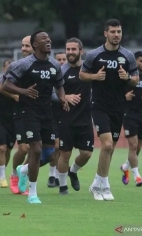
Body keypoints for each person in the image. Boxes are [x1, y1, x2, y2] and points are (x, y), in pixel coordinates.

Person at [3, 29, 69, 204]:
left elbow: (59, 85)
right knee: (36, 149)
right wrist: (24, 91)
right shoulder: (23, 64)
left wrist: (62, 98)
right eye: (43, 39)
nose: (48, 41)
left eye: (49, 38)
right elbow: (5, 86)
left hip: (47, 112)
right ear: (35, 45)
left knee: (50, 154)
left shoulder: (55, 65)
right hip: (28, 111)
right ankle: (32, 193)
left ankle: (24, 169)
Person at [79, 19, 139, 201]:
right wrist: (95, 76)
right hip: (99, 105)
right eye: (113, 32)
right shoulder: (94, 55)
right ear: (106, 33)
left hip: (118, 107)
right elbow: (82, 74)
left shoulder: (127, 56)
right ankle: (103, 186)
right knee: (106, 145)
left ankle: (96, 183)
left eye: (119, 32)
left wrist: (127, 77)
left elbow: (135, 79)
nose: (116, 35)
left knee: (110, 148)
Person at [57, 38, 93, 195]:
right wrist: (65, 97)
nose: (70, 52)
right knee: (65, 153)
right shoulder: (61, 71)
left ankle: (73, 171)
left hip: (85, 119)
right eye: (68, 49)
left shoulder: (88, 70)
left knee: (86, 153)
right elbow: (51, 92)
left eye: (73, 49)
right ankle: (63, 186)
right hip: (66, 119)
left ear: (81, 51)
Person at [120, 51, 142, 186]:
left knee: (138, 147)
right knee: (133, 146)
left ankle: (125, 167)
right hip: (129, 115)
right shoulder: (126, 78)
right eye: (141, 61)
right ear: (135, 62)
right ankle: (137, 177)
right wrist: (125, 97)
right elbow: (117, 95)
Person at [8, 35, 33, 194]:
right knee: (24, 148)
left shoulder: (43, 65)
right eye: (22, 45)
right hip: (20, 111)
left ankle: (25, 174)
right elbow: (4, 86)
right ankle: (15, 174)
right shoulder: (16, 66)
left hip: (38, 112)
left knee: (35, 148)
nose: (23, 49)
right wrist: (17, 95)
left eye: (27, 46)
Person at [0, 59, 17, 188]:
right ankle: (1, 175)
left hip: (13, 120)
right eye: (8, 69)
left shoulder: (18, 84)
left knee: (8, 149)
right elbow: (0, 88)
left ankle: (0, 172)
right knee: (2, 148)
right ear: (3, 69)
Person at [47, 52, 67, 188]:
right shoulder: (52, 75)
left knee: (63, 149)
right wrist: (65, 98)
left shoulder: (71, 75)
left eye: (63, 59)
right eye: (58, 59)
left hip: (67, 115)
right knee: (56, 146)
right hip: (52, 115)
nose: (61, 61)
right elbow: (52, 95)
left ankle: (58, 176)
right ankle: (51, 175)